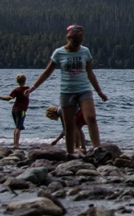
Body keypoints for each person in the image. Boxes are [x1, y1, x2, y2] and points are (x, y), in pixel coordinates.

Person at [30, 24, 109, 158]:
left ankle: (97, 149)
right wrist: (33, 87)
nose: (77, 44)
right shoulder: (59, 53)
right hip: (67, 92)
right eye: (74, 41)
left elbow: (90, 73)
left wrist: (99, 91)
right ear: (68, 38)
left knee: (91, 117)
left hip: (84, 89)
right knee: (69, 124)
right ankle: (70, 153)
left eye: (80, 41)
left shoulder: (85, 52)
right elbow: (47, 72)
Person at [0, 74, 32, 148]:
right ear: (25, 81)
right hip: (21, 110)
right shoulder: (27, 89)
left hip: (14, 110)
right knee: (18, 127)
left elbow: (8, 99)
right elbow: (29, 91)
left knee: (17, 127)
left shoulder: (16, 90)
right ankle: (16, 144)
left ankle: (15, 142)